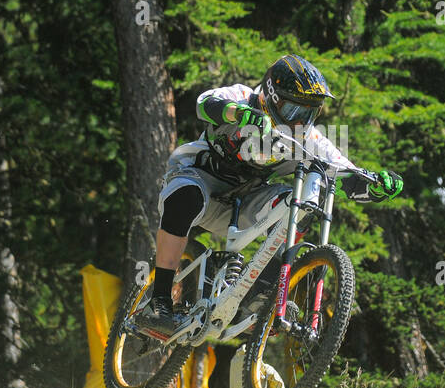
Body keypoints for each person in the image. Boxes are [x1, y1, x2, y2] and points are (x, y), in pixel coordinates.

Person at [136, 54, 403, 337]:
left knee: (300, 204)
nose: (300, 122)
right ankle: (160, 301)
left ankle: (261, 294)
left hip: (245, 199)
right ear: (271, 96)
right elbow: (205, 103)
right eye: (294, 111)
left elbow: (344, 173)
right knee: (186, 197)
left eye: (309, 114)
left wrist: (374, 184)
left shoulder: (308, 138)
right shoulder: (241, 96)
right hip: (200, 177)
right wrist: (237, 114)